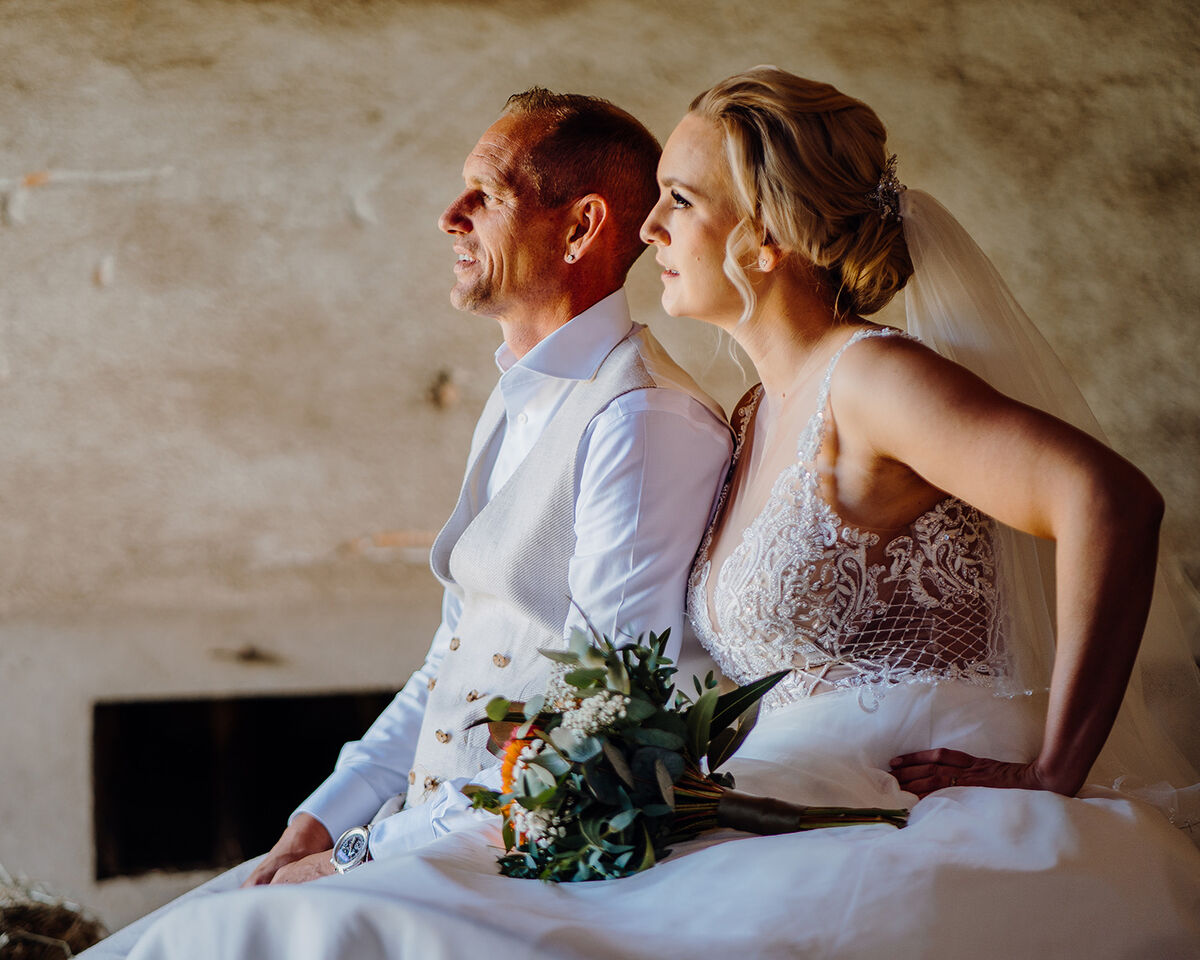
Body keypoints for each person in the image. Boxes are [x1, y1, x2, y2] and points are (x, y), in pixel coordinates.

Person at [115, 70, 1200, 960]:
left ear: (764, 235)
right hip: (783, 786)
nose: (646, 225)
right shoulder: (753, 413)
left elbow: (1109, 499)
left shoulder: (874, 379)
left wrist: (1055, 768)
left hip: (900, 790)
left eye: (679, 198)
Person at [81, 89, 731, 958]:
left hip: (517, 865)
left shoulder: (643, 422)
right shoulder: (519, 393)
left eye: (486, 194)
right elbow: (449, 661)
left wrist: (360, 855)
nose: (449, 216)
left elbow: (599, 725)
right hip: (420, 833)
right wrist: (324, 818)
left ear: (580, 228)